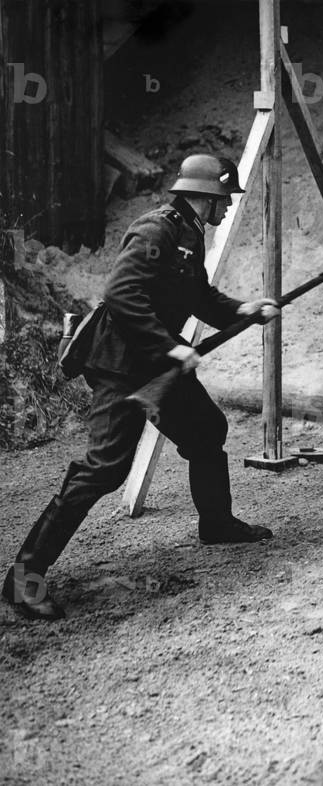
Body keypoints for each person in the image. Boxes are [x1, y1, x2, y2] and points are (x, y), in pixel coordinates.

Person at [1, 153, 281, 622]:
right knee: (104, 469)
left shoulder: (189, 234)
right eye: (224, 199)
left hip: (155, 363)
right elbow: (121, 295)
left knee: (206, 431)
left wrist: (245, 310)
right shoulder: (158, 229)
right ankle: (24, 577)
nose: (228, 208)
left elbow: (201, 298)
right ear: (205, 194)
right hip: (121, 364)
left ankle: (216, 523)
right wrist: (170, 349)